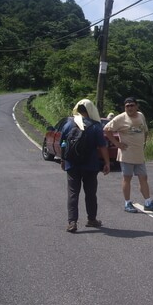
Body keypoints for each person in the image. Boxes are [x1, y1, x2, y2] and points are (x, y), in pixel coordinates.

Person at [103, 97, 153, 213]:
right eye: (127, 106)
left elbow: (145, 130)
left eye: (131, 105)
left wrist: (144, 143)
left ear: (136, 106)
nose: (129, 108)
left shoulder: (141, 116)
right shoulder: (120, 118)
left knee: (143, 178)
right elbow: (106, 129)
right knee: (127, 178)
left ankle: (148, 202)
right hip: (126, 154)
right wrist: (116, 143)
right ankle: (128, 203)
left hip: (139, 154)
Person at [61, 99, 111, 233]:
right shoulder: (95, 126)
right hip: (90, 165)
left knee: (73, 193)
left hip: (72, 164)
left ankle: (72, 222)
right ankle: (91, 219)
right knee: (90, 193)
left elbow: (63, 143)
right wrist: (106, 162)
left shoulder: (68, 124)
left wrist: (63, 160)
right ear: (90, 111)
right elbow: (102, 146)